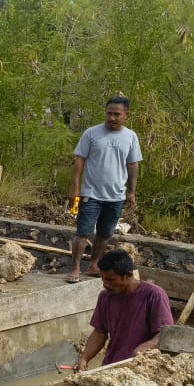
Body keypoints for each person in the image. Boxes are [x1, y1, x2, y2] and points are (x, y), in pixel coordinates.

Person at [67, 95, 142, 283]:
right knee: (82, 232)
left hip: (116, 195)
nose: (112, 118)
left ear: (126, 115)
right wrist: (75, 187)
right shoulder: (92, 133)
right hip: (91, 193)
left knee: (104, 233)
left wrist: (131, 192)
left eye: (117, 114)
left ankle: (94, 264)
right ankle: (75, 268)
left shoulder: (130, 137)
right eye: (109, 113)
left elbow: (132, 165)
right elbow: (79, 160)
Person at [74, 249, 173, 370]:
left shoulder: (154, 295)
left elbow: (165, 334)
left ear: (128, 275)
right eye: (103, 279)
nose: (105, 284)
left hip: (141, 367)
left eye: (111, 280)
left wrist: (148, 346)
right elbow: (99, 332)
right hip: (112, 366)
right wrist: (84, 358)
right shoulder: (105, 297)